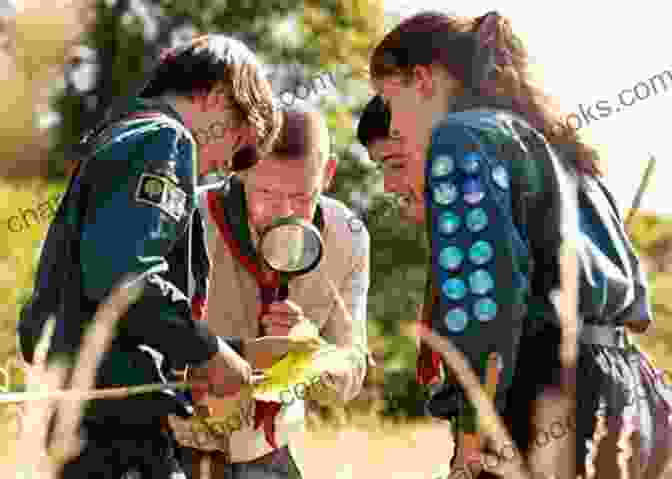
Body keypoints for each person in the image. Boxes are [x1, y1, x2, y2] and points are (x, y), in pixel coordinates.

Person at [363, 10, 660, 479]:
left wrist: (470, 433)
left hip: (548, 394)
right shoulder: (562, 147)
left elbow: (483, 307)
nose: (395, 124)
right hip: (629, 392)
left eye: (389, 99)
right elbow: (639, 310)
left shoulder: (459, 136)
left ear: (420, 80)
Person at [16, 34, 304, 479]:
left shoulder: (120, 134)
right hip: (112, 427)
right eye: (231, 147)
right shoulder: (165, 141)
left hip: (80, 405)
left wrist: (218, 355)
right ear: (215, 96)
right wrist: (207, 351)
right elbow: (125, 278)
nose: (214, 170)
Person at [171, 101, 370, 478]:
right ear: (241, 165)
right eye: (265, 192)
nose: (282, 212)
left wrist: (313, 350)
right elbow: (144, 346)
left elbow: (349, 375)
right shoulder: (188, 217)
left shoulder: (349, 236)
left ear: (327, 174)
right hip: (176, 451)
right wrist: (233, 355)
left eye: (300, 197)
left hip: (268, 455)